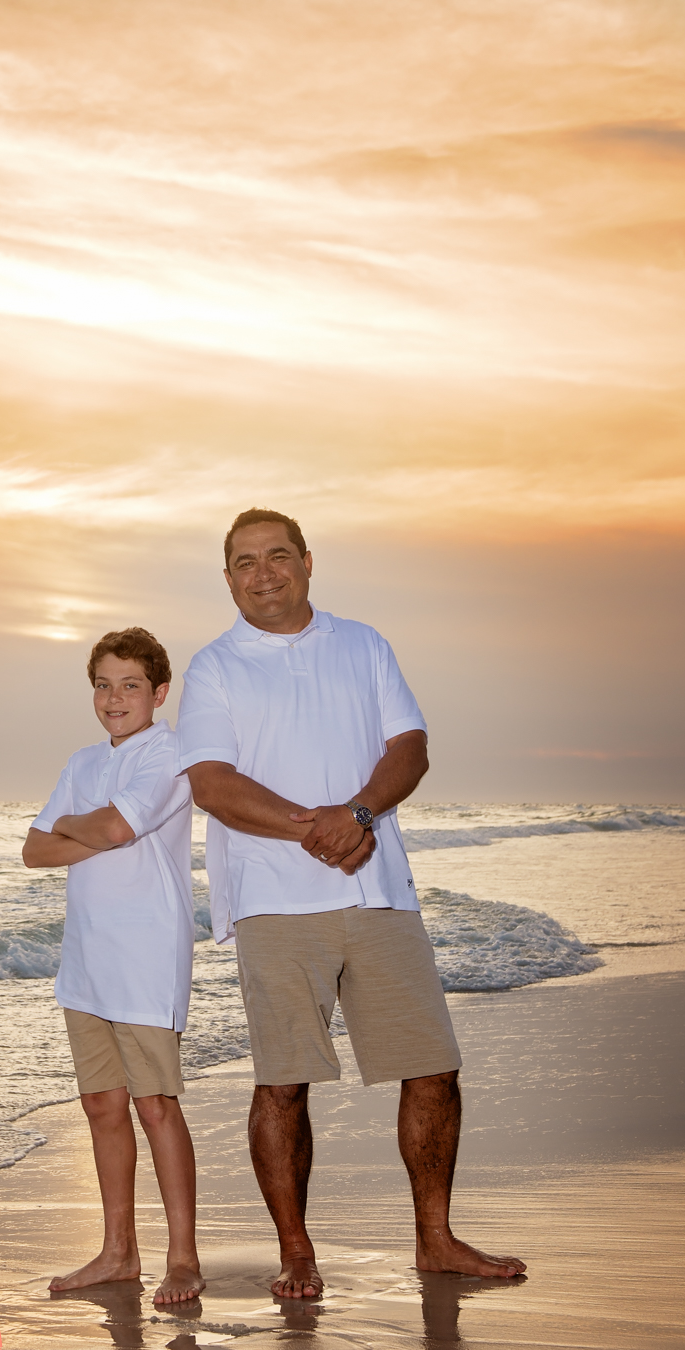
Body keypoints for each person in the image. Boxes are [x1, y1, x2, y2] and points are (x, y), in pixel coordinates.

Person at [176, 509, 526, 1298]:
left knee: (432, 1068)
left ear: (306, 562)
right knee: (283, 1082)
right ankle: (296, 1251)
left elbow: (411, 747)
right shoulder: (215, 667)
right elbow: (212, 785)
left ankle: (435, 1239)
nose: (261, 573)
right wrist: (320, 827)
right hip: (273, 900)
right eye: (242, 562)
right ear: (226, 577)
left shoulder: (362, 644)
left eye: (276, 557)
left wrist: (359, 812)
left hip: (378, 890)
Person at [23, 627, 204, 1305]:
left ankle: (182, 1258)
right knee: (102, 1105)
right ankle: (117, 1253)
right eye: (102, 684)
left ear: (158, 692)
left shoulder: (170, 753)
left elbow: (114, 831)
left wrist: (81, 827)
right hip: (87, 961)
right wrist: (87, 827)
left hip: (147, 957)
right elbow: (33, 851)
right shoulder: (81, 761)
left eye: (130, 684)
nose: (114, 698)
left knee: (155, 1106)